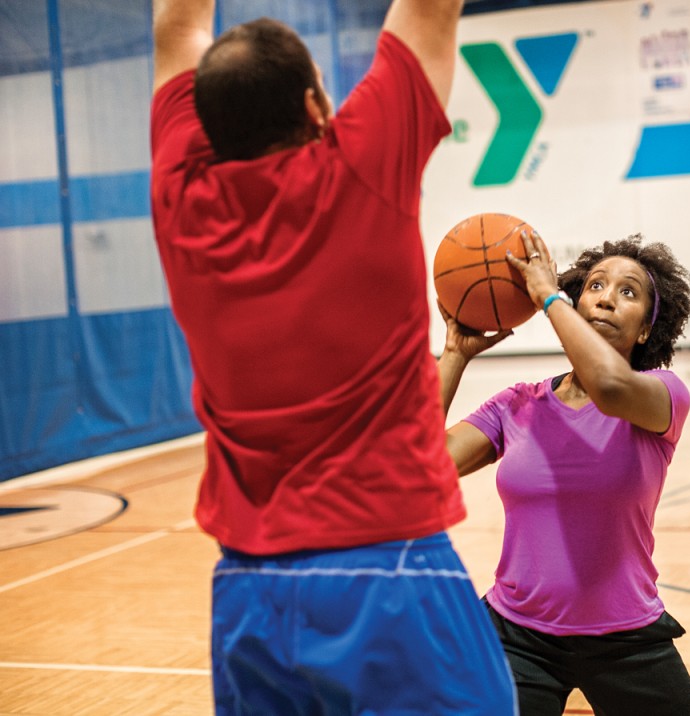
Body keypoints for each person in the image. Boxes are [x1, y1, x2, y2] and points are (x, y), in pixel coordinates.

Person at [149, 1, 516, 713]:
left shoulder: (178, 199)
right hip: (388, 574)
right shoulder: (360, 165)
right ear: (318, 104)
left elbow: (176, 28)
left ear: (203, 125)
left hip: (249, 592)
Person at [436, 232, 690, 716]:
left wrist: (547, 296)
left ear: (646, 330)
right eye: (596, 285)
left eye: (628, 292)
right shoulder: (516, 404)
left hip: (626, 639)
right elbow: (418, 461)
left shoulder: (660, 396)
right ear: (579, 303)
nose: (606, 297)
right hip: (516, 638)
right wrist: (455, 354)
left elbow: (608, 384)